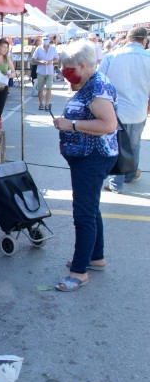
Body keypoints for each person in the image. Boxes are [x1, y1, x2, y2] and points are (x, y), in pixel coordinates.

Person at [51, 39, 118, 292]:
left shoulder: (97, 86)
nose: (65, 71)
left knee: (83, 214)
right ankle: (95, 257)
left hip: (93, 158)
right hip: (88, 158)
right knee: (91, 208)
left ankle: (79, 272)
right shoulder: (91, 82)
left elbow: (108, 124)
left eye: (68, 67)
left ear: (81, 64)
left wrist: (72, 125)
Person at [98, 26, 150, 193]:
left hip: (114, 110)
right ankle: (130, 174)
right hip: (139, 109)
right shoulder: (148, 57)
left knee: (117, 145)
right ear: (144, 40)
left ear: (127, 39)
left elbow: (98, 82)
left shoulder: (111, 56)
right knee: (134, 145)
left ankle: (115, 184)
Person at [32, 36, 59, 111]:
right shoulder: (38, 49)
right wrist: (40, 61)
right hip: (41, 71)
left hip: (50, 71)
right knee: (40, 89)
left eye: (46, 39)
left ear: (49, 40)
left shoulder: (53, 49)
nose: (45, 40)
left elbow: (57, 58)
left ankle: (47, 104)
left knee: (49, 88)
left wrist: (51, 62)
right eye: (44, 39)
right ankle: (41, 104)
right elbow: (34, 59)